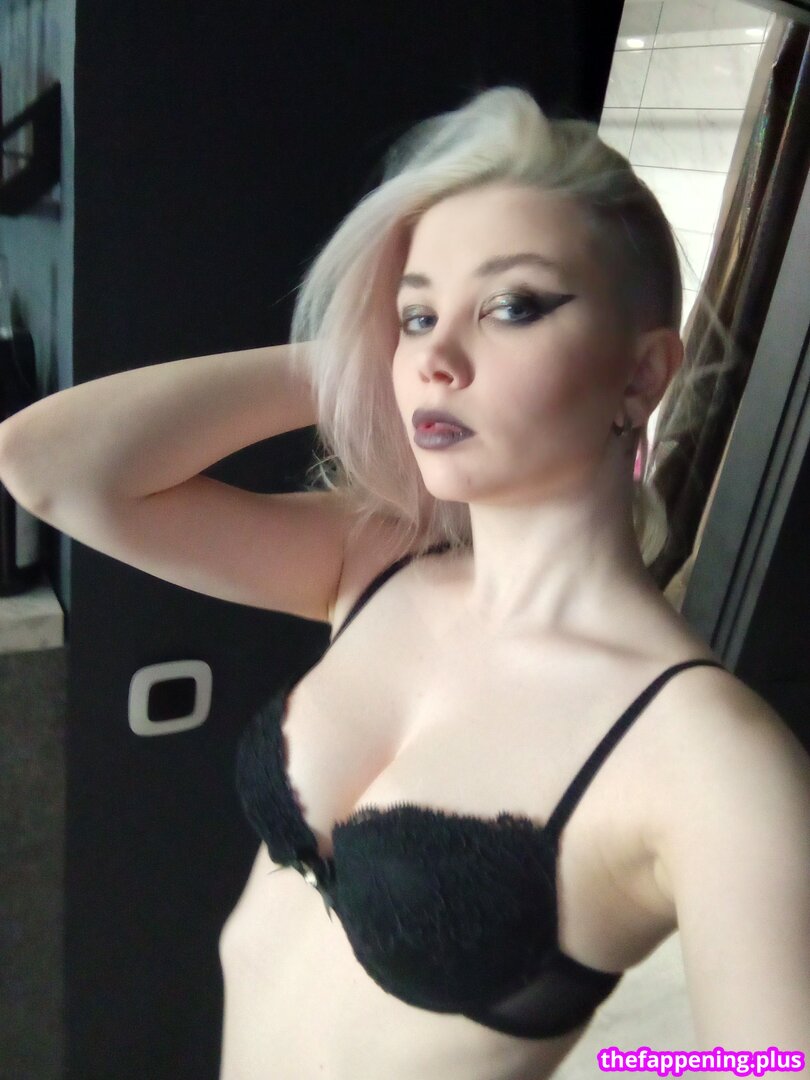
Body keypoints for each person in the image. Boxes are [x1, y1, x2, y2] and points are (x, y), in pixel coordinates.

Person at [0, 85, 808, 1080]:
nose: (437, 361)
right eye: (416, 315)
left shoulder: (707, 758)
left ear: (641, 376)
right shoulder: (378, 560)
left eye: (512, 306)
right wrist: (354, 357)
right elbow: (50, 468)